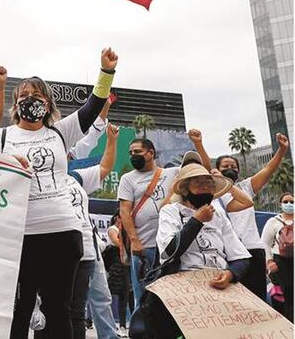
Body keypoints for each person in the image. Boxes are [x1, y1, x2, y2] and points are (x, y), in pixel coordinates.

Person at [0, 48, 119, 339]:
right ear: (15, 103)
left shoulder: (61, 132)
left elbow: (92, 106)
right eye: (22, 95)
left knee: (59, 311)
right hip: (18, 236)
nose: (29, 100)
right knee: (17, 310)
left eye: (36, 95)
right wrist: (11, 165)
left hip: (62, 232)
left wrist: (106, 73)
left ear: (47, 104)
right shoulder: (3, 137)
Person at [141, 162, 250, 336]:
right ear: (185, 190)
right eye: (198, 184)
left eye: (209, 184)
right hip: (184, 289)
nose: (205, 188)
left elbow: (241, 257)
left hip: (218, 285)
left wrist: (230, 274)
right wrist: (196, 221)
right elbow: (169, 253)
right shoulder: (170, 212)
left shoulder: (219, 216)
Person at [188, 129, 290, 302]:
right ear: (216, 171)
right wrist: (198, 144)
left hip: (252, 251)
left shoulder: (246, 188)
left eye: (233, 167)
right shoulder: (212, 192)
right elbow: (206, 166)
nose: (230, 169)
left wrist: (281, 150)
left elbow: (268, 169)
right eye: (225, 167)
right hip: (229, 253)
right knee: (232, 300)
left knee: (257, 299)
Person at [52, 123, 118, 339]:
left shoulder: (76, 178)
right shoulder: (36, 178)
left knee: (78, 311)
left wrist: (112, 140)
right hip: (55, 249)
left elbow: (105, 168)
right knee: (57, 308)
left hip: (86, 251)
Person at [116, 135, 179, 308]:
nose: (133, 155)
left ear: (151, 153)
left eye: (138, 151)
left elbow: (201, 170)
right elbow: (125, 212)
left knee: (172, 297)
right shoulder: (127, 179)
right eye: (130, 153)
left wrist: (198, 144)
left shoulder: (171, 173)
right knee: (143, 299)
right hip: (144, 249)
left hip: (170, 247)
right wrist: (135, 241)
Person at [262, 191, 294, 321]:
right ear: (280, 204)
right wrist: (269, 261)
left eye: (292, 202)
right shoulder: (273, 222)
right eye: (285, 202)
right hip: (280, 262)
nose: (289, 204)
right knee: (287, 293)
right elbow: (265, 243)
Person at [102, 214, 132, 335]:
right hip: (116, 264)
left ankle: (124, 324)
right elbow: (118, 242)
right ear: (117, 218)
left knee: (127, 294)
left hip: (127, 263)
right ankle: (110, 323)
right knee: (109, 294)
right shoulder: (113, 229)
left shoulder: (127, 229)